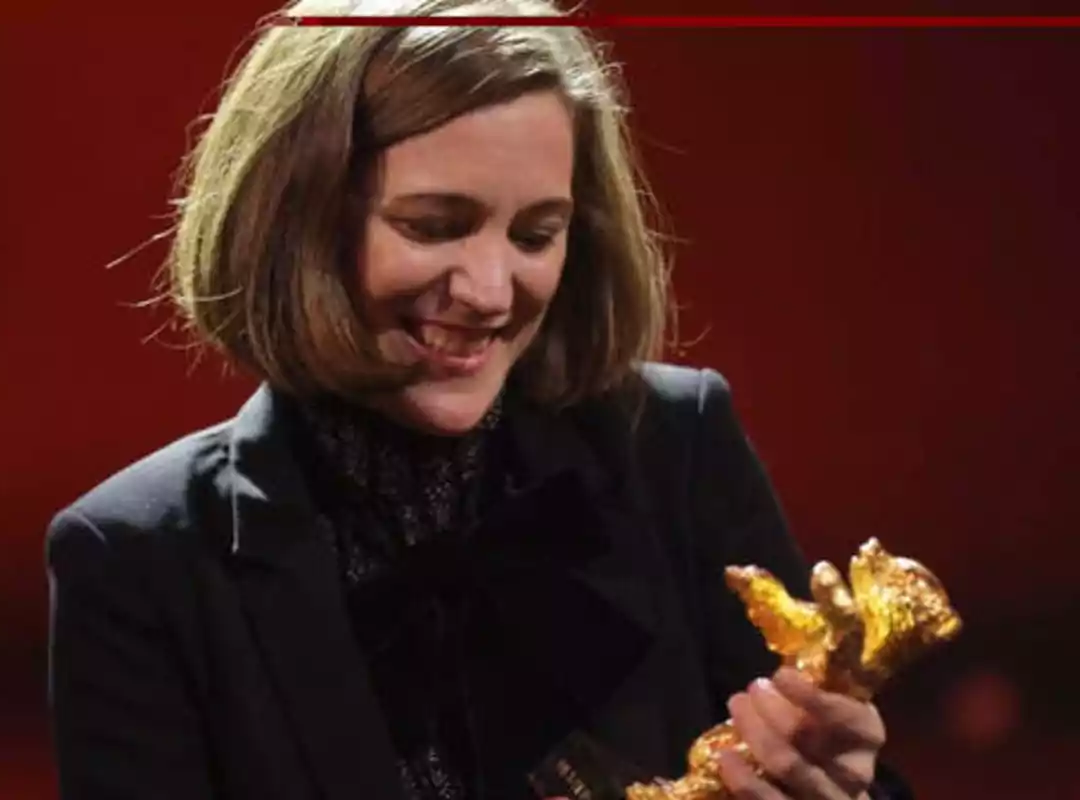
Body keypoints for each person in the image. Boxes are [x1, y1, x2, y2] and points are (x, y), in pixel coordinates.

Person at [45, 1, 910, 798]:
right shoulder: (138, 559)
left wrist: (843, 784)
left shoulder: (672, 445)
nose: (493, 291)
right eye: (433, 225)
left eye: (536, 234)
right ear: (298, 221)